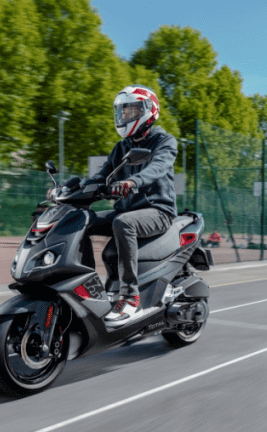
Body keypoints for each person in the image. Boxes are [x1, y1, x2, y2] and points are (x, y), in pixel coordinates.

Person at [69, 84, 176, 323]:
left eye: (130, 110)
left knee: (123, 223)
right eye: (122, 111)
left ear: (148, 110)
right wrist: (74, 189)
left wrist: (132, 182)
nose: (124, 115)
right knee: (81, 220)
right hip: (127, 210)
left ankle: (130, 298)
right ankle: (87, 288)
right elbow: (103, 176)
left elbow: (158, 167)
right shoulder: (121, 147)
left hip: (158, 211)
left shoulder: (164, 141)